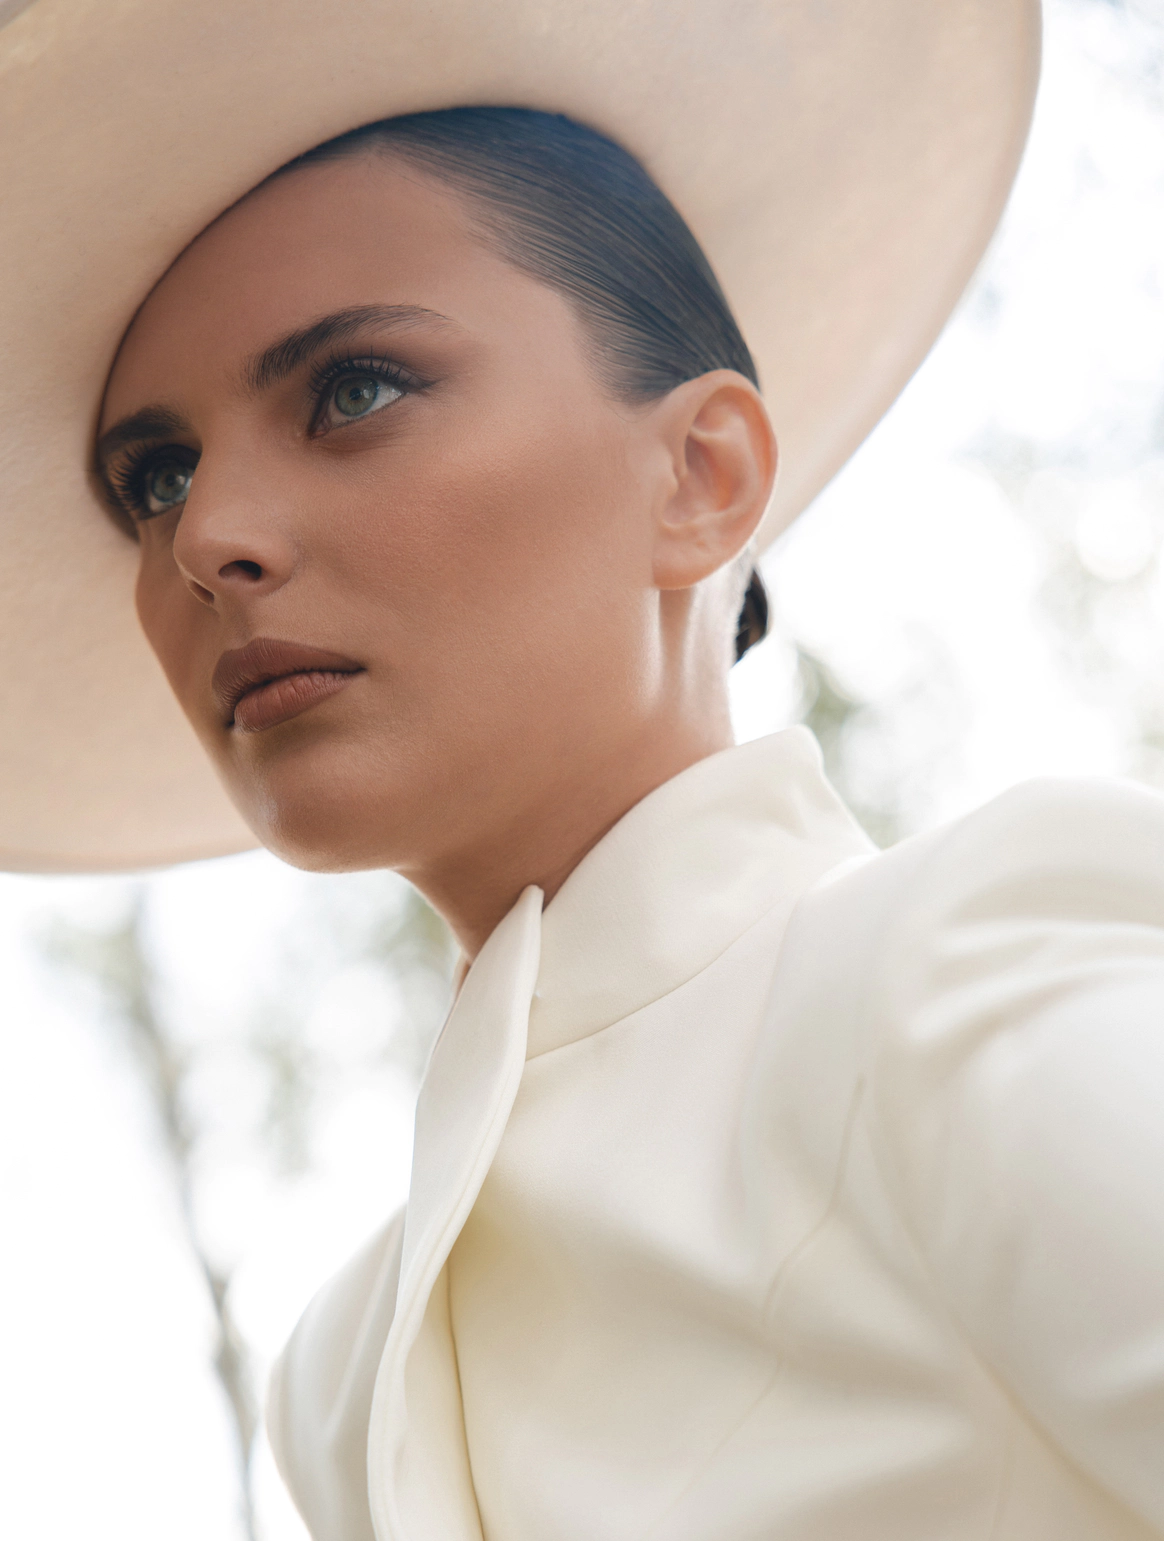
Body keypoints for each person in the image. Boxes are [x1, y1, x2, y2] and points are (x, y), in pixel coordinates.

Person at [8, 2, 1164, 1539]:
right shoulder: (345, 1379)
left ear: (701, 475)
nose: (206, 537)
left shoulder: (954, 986)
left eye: (353, 389)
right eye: (156, 478)